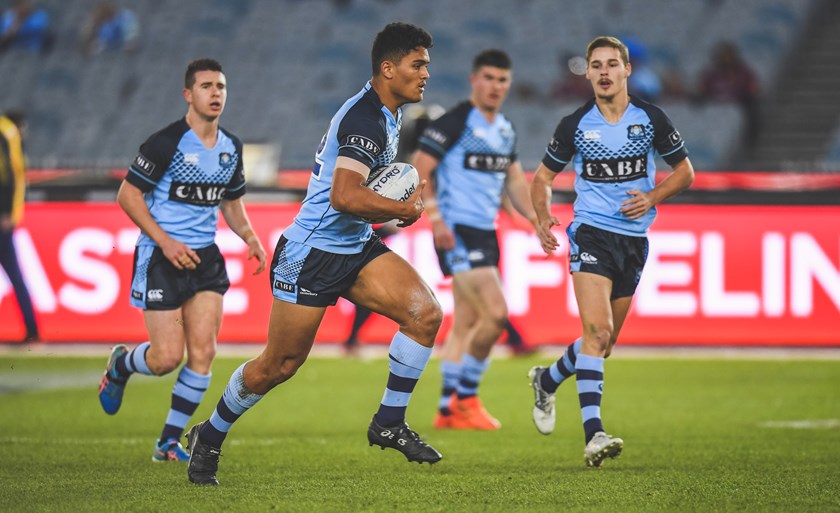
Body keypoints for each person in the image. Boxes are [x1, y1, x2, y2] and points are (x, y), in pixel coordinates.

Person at [186, 23, 440, 486]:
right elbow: (344, 196)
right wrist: (401, 207)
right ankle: (210, 434)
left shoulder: (386, 111)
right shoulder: (365, 118)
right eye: (417, 64)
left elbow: (356, 195)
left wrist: (389, 208)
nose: (426, 73)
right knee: (278, 366)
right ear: (388, 68)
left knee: (424, 315)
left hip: (355, 246)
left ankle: (388, 421)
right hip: (312, 253)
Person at [528, 36, 694, 467]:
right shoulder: (575, 124)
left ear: (626, 71)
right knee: (597, 333)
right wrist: (543, 217)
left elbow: (685, 172)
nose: (603, 72)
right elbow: (542, 179)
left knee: (603, 343)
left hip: (634, 241)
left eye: (611, 65)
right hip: (592, 232)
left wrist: (652, 197)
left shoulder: (650, 118)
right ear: (587, 74)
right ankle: (593, 435)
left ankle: (546, 380)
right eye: (595, 65)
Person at [97, 58, 267, 463]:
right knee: (165, 359)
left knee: (203, 354)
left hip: (205, 258)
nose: (215, 94)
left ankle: (167, 443)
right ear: (188, 94)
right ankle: (121, 364)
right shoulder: (166, 143)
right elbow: (128, 196)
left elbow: (231, 201)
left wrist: (250, 236)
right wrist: (167, 241)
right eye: (206, 86)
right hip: (161, 256)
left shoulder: (231, 146)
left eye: (221, 86)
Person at [413, 49, 538, 431]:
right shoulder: (454, 122)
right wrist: (435, 220)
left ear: (508, 84)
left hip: (485, 230)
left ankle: (446, 410)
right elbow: (420, 168)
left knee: (466, 323)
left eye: (502, 79)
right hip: (457, 231)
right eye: (488, 77)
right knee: (496, 314)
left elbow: (514, 179)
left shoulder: (504, 128)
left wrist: (534, 216)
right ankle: (466, 399)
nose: (495, 86)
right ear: (474, 80)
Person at [0, 110, 39, 343]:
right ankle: (32, 329)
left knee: (15, 273)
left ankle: (33, 329)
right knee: (15, 274)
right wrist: (9, 212)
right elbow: (13, 174)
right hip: (3, 216)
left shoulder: (5, 131)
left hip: (3, 216)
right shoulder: (8, 131)